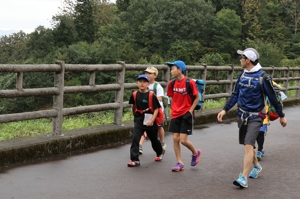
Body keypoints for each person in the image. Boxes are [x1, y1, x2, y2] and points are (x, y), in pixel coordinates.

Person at [217, 48, 287, 188]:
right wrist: (225, 109)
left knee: (249, 145)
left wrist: (281, 115)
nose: (240, 60)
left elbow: (273, 98)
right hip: (242, 115)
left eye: (242, 58)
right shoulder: (242, 75)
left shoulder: (263, 77)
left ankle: (243, 177)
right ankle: (256, 166)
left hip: (256, 116)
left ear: (248, 60)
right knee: (247, 146)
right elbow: (235, 94)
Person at [166, 60, 202, 172]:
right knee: (175, 139)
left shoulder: (189, 82)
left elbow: (197, 98)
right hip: (175, 114)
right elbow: (171, 97)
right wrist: (172, 110)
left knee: (183, 140)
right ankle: (179, 162)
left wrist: (190, 111)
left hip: (186, 114)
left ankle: (195, 153)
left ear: (180, 70)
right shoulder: (171, 83)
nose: (171, 71)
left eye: (173, 68)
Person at [127, 74, 164, 167]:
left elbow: (156, 109)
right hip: (139, 119)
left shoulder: (151, 95)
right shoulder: (134, 94)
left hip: (149, 120)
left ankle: (160, 152)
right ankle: (135, 160)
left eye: (144, 82)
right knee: (135, 139)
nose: (142, 84)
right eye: (140, 82)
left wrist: (152, 120)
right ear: (137, 83)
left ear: (148, 84)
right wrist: (135, 115)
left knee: (154, 140)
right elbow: (134, 106)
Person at [139, 66, 166, 155]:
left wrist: (149, 101)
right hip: (147, 110)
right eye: (146, 73)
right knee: (145, 126)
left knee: (159, 126)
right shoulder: (144, 84)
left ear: (155, 75)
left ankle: (162, 143)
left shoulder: (157, 86)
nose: (147, 75)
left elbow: (160, 98)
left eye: (150, 73)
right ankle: (140, 145)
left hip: (157, 110)